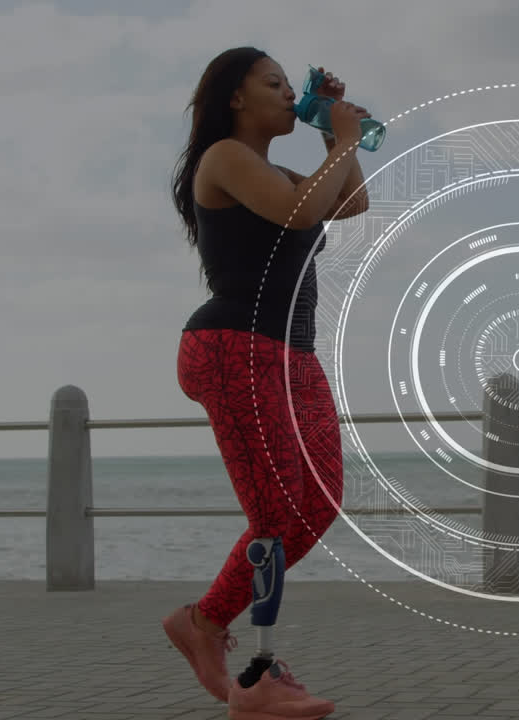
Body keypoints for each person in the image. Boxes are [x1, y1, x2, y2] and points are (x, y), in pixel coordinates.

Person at [161, 46, 371, 719]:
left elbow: (351, 200)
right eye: (273, 84)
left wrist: (332, 137)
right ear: (235, 99)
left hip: (291, 357)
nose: (287, 93)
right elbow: (300, 211)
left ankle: (205, 622)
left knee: (319, 504)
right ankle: (256, 674)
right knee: (277, 514)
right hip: (232, 349)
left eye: (291, 86)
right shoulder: (223, 158)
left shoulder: (279, 168)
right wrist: (339, 137)